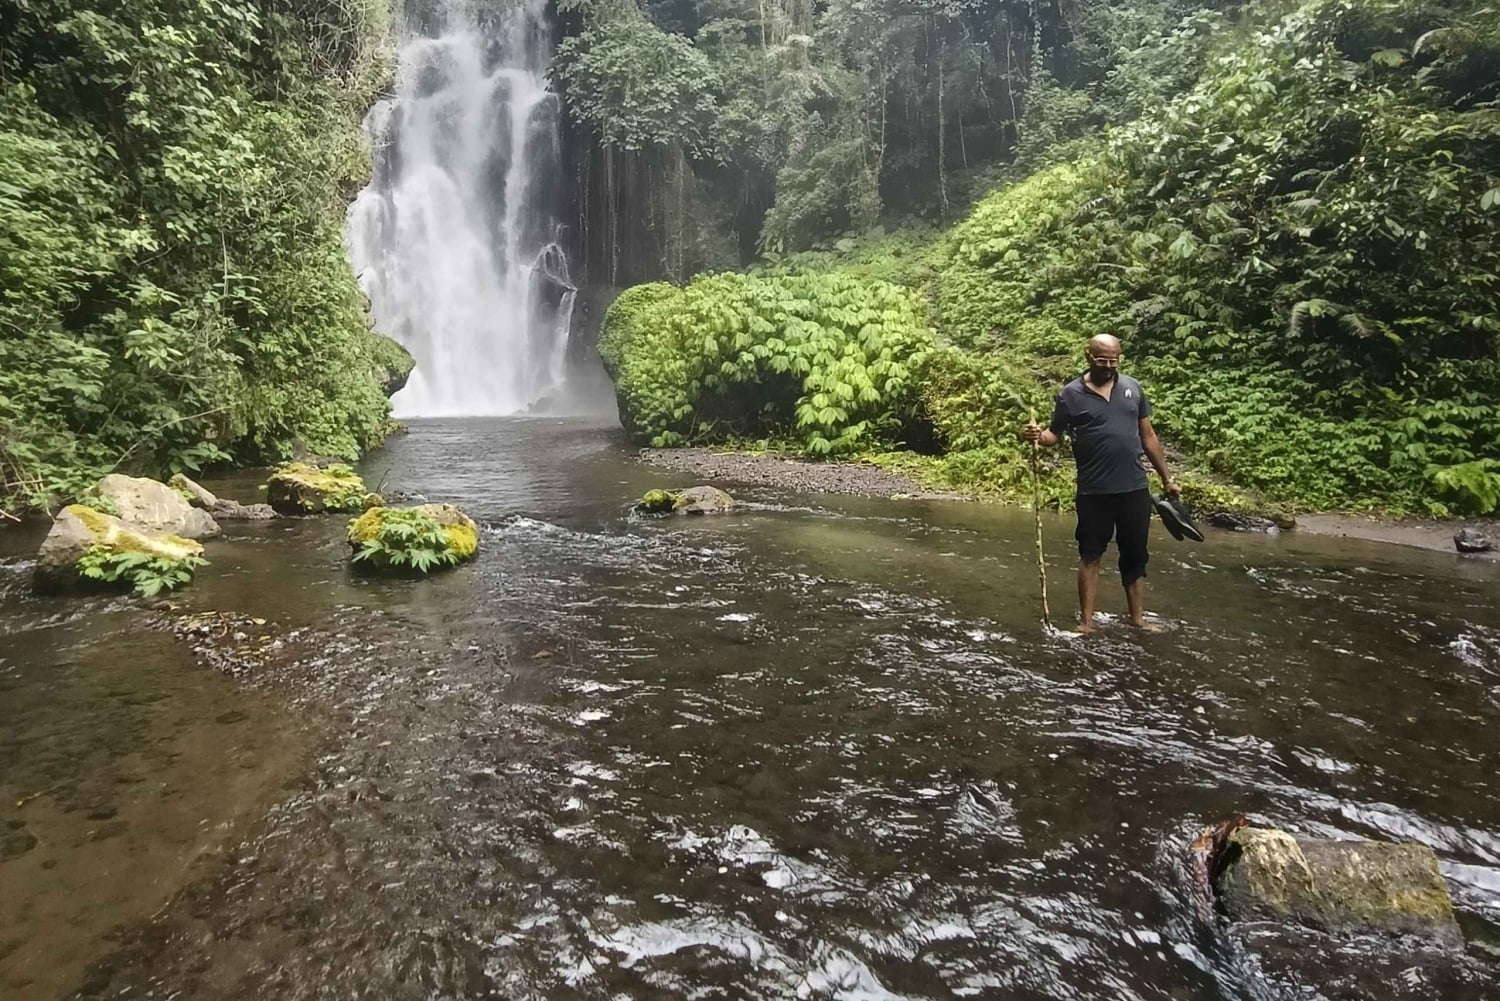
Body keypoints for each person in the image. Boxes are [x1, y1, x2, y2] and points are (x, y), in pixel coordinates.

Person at [1023, 334, 1179, 634]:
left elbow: (1148, 437)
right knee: (1090, 553)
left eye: (1113, 361)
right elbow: (1053, 434)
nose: (1108, 366)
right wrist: (1037, 437)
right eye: (1101, 360)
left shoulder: (1133, 388)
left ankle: (1137, 619)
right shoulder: (1070, 394)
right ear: (1088, 357)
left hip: (1134, 488)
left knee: (1135, 554)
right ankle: (1087, 622)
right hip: (1093, 491)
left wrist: (1167, 479)